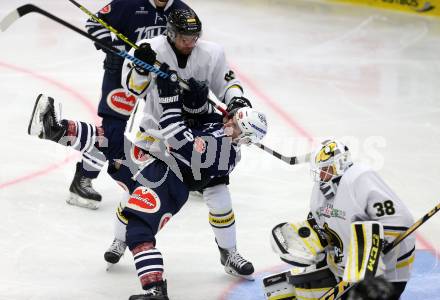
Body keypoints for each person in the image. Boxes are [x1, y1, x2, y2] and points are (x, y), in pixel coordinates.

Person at [27, 62, 268, 299]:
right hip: (154, 162)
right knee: (109, 140)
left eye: (235, 125)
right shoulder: (222, 129)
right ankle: (55, 129)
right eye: (232, 118)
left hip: (167, 184)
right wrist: (195, 102)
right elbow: (203, 120)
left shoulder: (223, 153)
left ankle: (155, 289)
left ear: (244, 137)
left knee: (139, 230)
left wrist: (169, 97)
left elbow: (177, 136)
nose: (228, 121)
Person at [106, 7, 257, 279]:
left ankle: (229, 252)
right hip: (157, 136)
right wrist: (140, 68)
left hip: (197, 134)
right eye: (185, 38)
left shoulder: (211, 53)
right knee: (139, 191)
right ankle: (121, 239)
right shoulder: (148, 48)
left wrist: (236, 101)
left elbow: (228, 83)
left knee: (219, 195)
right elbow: (133, 90)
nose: (191, 42)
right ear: (171, 33)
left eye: (194, 37)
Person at [69, 0, 191, 209]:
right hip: (122, 72)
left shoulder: (182, 11)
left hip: (161, 77)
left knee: (173, 123)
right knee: (113, 131)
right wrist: (111, 44)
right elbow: (95, 24)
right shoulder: (128, 3)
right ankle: (84, 177)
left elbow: (190, 44)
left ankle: (187, 173)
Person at [266, 139, 415, 300]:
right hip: (343, 271)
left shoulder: (359, 179)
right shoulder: (320, 190)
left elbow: (400, 220)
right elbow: (320, 227)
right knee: (281, 290)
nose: (322, 175)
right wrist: (310, 238)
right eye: (320, 171)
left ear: (341, 164)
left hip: (384, 276)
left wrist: (379, 244)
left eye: (326, 169)